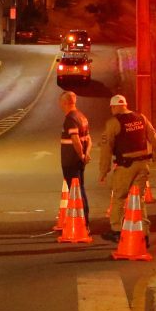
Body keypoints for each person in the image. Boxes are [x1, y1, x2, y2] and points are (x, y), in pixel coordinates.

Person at [98, 94, 156, 242]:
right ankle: (144, 233)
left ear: (115, 106)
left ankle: (116, 230)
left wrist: (103, 171)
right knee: (139, 201)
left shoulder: (113, 122)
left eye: (111, 108)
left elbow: (106, 149)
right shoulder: (141, 118)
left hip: (125, 166)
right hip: (143, 166)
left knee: (119, 198)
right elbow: (155, 138)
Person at [58, 91, 92, 221]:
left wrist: (82, 154)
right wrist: (86, 154)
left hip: (71, 161)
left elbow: (76, 139)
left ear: (65, 103)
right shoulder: (81, 117)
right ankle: (83, 219)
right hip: (79, 161)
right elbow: (89, 139)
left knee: (76, 191)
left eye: (61, 102)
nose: (60, 105)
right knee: (80, 188)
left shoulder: (70, 119)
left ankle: (82, 220)